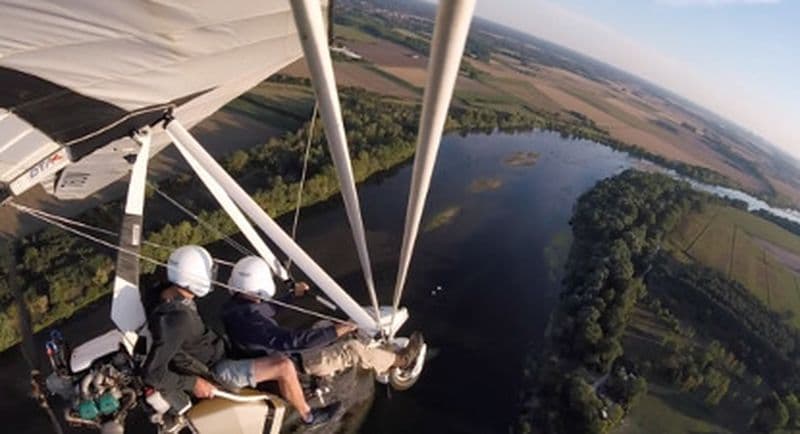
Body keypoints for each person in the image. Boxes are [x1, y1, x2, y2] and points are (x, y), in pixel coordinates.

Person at [142, 245, 338, 427]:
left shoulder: (163, 293)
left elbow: (257, 310)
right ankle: (309, 416)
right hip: (215, 371)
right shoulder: (177, 318)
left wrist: (290, 297)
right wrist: (193, 383)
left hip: (218, 353)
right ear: (195, 278)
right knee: (284, 366)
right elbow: (152, 373)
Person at [222, 256, 425, 380]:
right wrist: (341, 329)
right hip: (292, 364)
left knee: (324, 325)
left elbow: (267, 309)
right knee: (352, 349)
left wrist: (292, 296)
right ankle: (402, 361)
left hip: (270, 354)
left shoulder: (237, 306)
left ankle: (376, 355)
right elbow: (289, 342)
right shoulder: (251, 320)